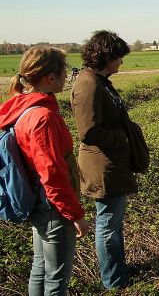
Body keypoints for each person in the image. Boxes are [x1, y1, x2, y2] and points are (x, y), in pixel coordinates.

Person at [0, 45, 90, 295]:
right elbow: (52, 174)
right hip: (53, 208)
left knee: (40, 269)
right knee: (56, 279)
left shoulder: (21, 107)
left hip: (39, 202)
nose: (66, 78)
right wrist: (75, 214)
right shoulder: (43, 117)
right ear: (51, 78)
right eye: (63, 73)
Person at [71, 30, 134, 289]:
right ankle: (114, 281)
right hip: (103, 166)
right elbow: (88, 132)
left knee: (113, 222)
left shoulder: (100, 81)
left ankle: (118, 269)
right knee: (107, 225)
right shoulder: (89, 84)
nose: (121, 62)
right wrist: (123, 138)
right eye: (118, 57)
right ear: (107, 56)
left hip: (112, 164)